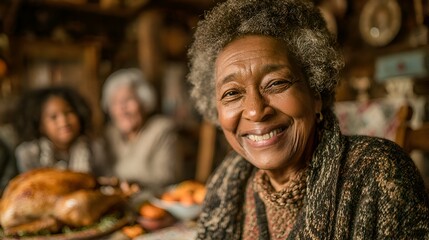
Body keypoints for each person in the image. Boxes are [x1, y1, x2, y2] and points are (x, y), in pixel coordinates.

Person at [187, 0, 429, 239]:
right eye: (232, 93)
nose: (255, 111)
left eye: (276, 83)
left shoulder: (379, 173)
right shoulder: (227, 179)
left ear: (316, 93)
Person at [101, 68, 183, 192]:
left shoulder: (162, 129)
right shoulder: (108, 134)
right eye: (115, 103)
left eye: (128, 100)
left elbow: (167, 177)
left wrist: (128, 183)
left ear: (144, 102)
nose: (122, 108)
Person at [13, 86, 105, 174]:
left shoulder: (95, 149)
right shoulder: (28, 154)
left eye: (69, 112)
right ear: (40, 125)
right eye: (53, 117)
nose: (63, 122)